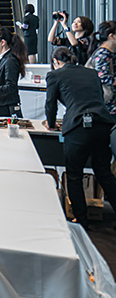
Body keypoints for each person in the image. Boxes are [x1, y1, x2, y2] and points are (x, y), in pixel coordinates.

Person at [44, 47, 116, 228]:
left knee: (74, 175)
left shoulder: (55, 75)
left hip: (78, 127)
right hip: (102, 124)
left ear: (55, 62)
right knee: (104, 172)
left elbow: (50, 104)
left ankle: (80, 220)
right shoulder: (91, 74)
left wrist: (51, 124)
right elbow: (98, 97)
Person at [89, 21, 116, 116]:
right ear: (111, 36)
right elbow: (102, 77)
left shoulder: (108, 53)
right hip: (107, 106)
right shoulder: (103, 54)